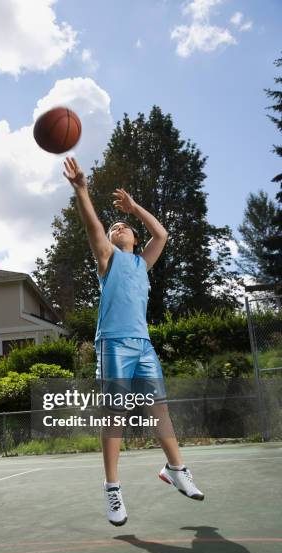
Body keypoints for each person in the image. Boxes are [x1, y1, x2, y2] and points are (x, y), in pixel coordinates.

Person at [63, 156, 204, 527]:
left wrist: (134, 207)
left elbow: (163, 235)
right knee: (115, 414)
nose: (117, 226)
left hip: (142, 345)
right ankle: (112, 489)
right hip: (113, 344)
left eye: (123, 225)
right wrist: (82, 189)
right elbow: (94, 226)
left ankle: (175, 469)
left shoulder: (143, 263)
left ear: (135, 238)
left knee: (160, 409)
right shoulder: (108, 260)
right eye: (114, 227)